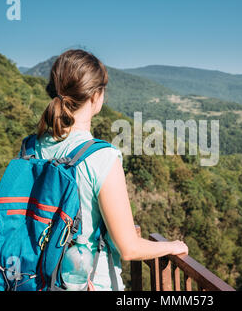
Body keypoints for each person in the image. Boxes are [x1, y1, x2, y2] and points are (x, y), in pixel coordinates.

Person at [34, 49, 188, 291]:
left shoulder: (31, 147)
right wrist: (172, 246)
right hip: (86, 284)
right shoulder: (101, 157)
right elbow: (129, 248)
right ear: (96, 95)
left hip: (35, 281)